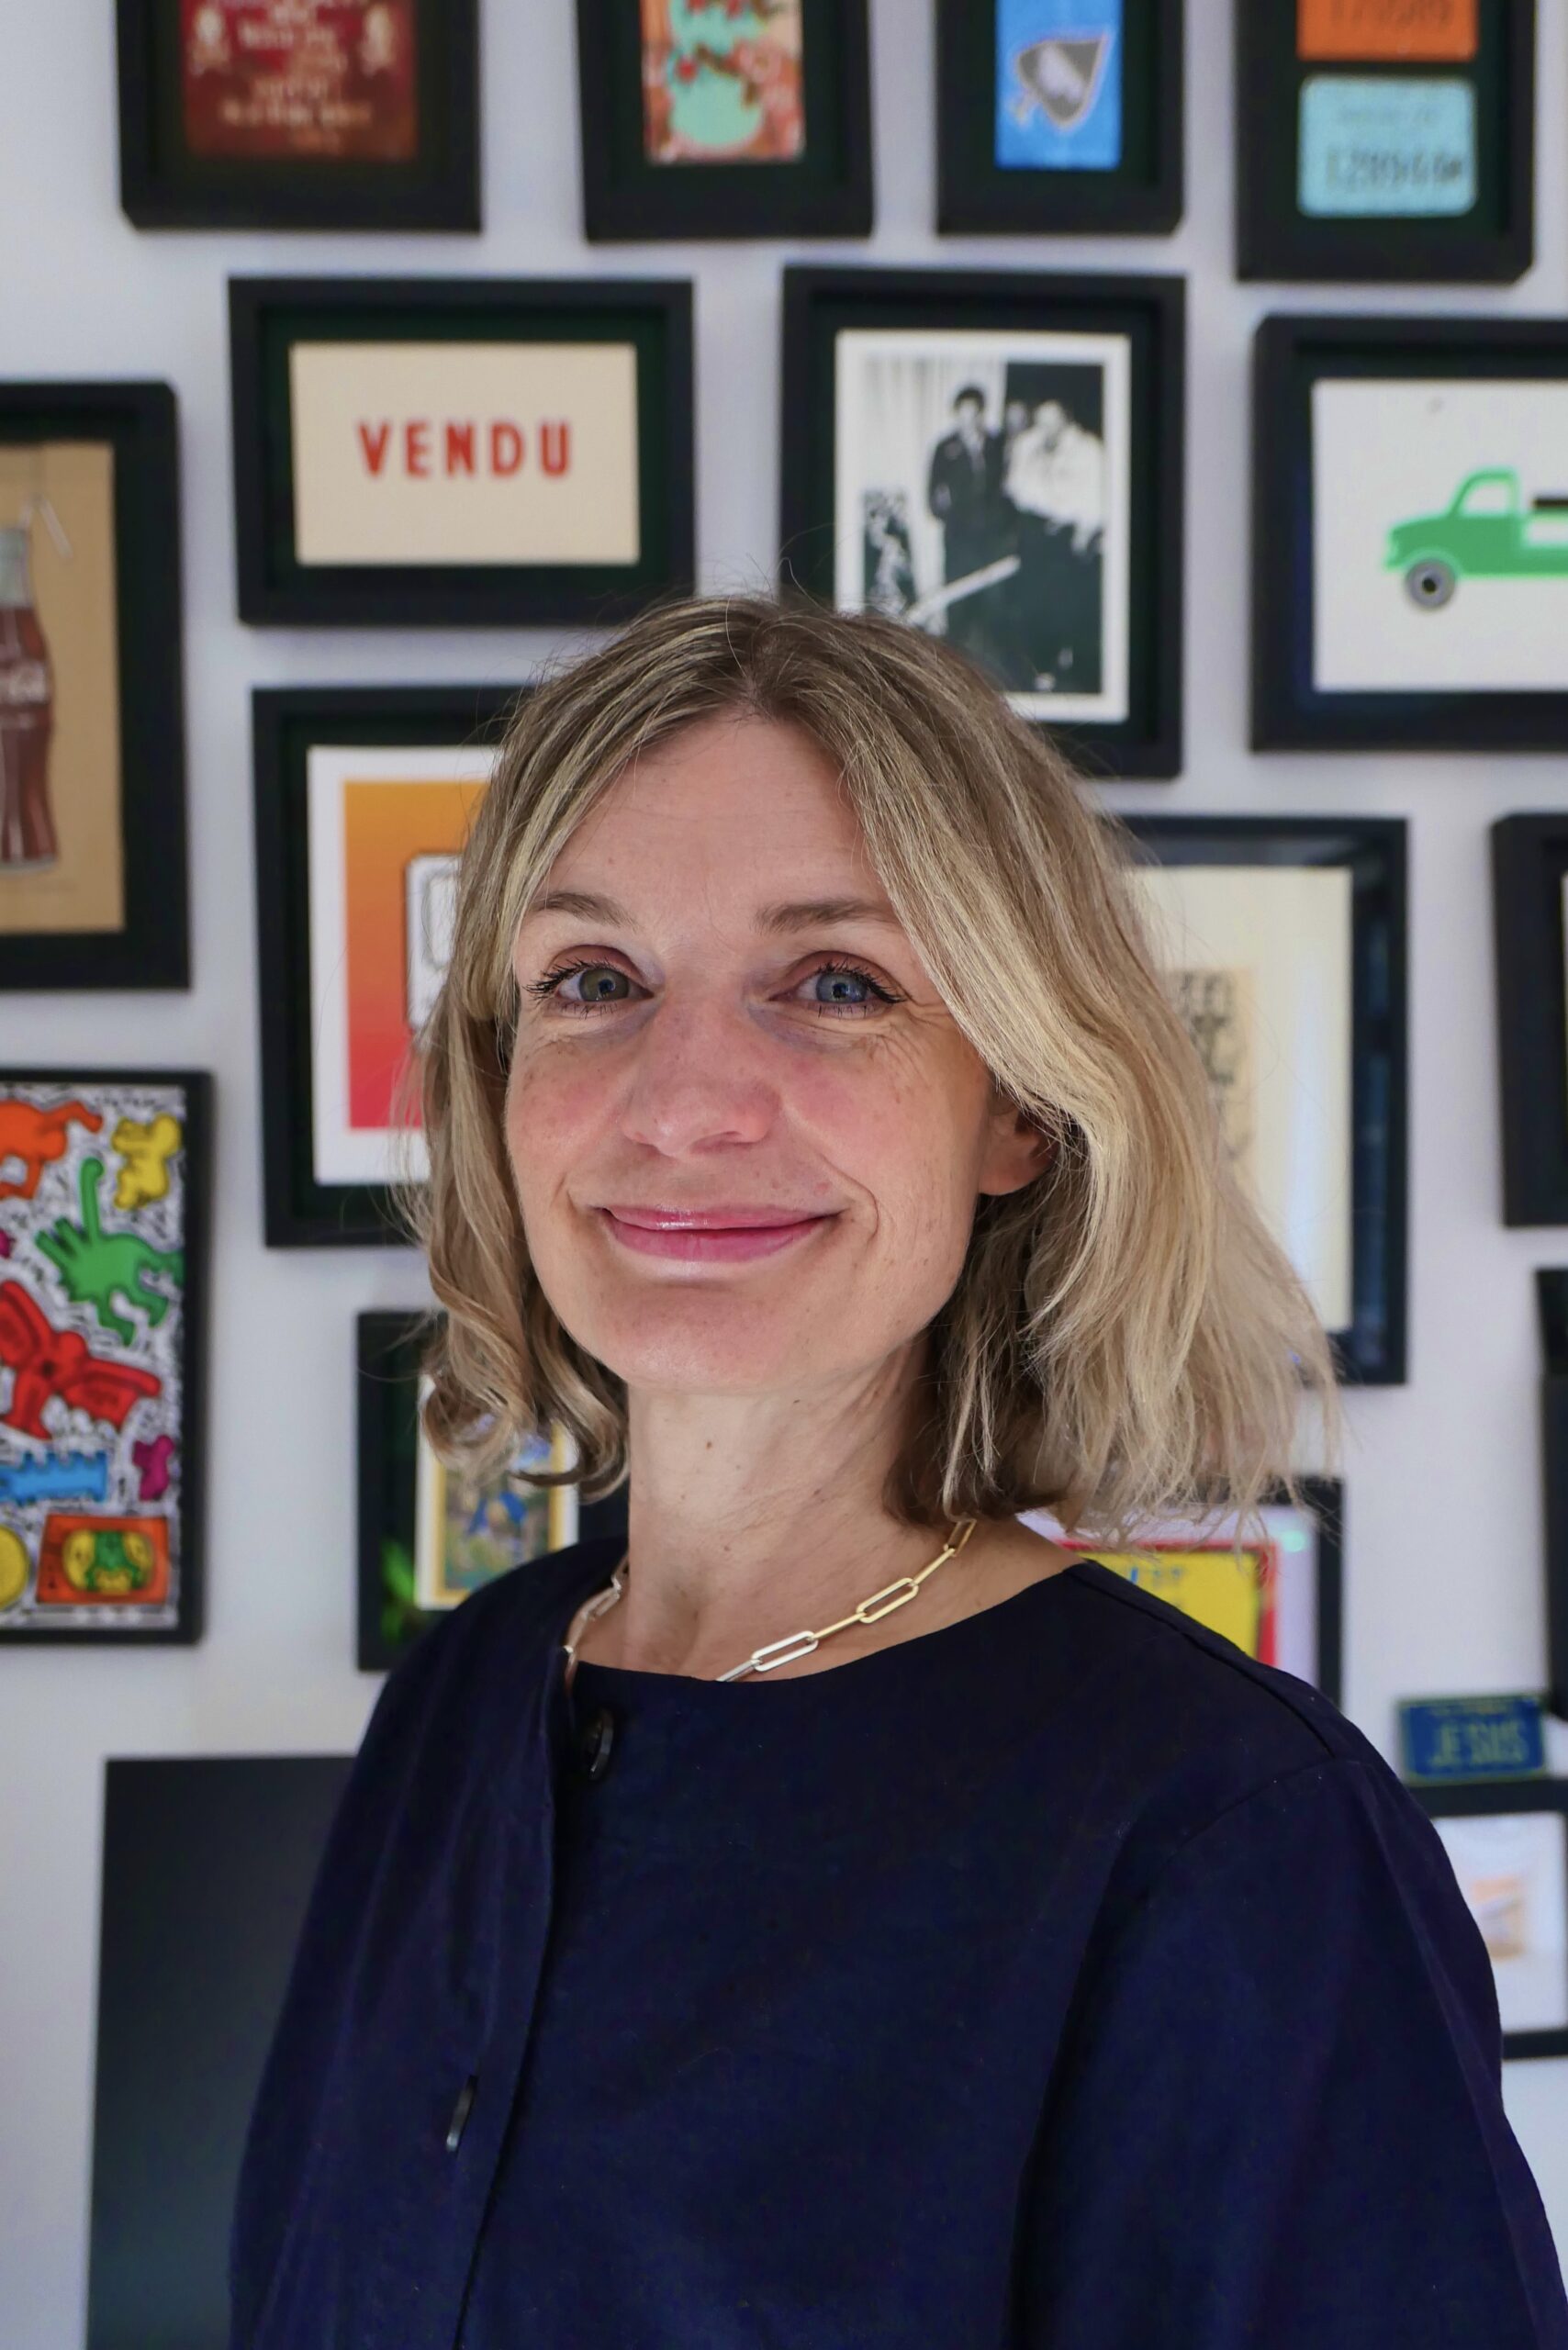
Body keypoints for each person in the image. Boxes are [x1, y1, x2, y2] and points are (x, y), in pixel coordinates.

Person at [227, 594, 1568, 2349]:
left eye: (836, 983)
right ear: (500, 1078)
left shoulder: (1232, 1839)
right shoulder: (468, 1690)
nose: (684, 1099)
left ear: (1015, 1100)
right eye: (591, 981)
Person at [1003, 394, 1105, 693]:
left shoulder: (1088, 451)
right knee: (1034, 601)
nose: (1046, 428)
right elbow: (1016, 488)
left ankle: (1065, 660)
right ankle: (1042, 665)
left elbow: (1094, 503)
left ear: (1067, 419)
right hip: (1034, 532)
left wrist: (1084, 536)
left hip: (1068, 535)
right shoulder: (1028, 445)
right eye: (1041, 422)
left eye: (1052, 422)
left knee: (1066, 603)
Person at [924, 383, 1013, 672]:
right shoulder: (944, 447)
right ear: (956, 415)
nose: (968, 420)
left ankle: (991, 672)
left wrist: (1001, 524)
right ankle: (954, 672)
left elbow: (1006, 488)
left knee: (993, 606)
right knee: (958, 609)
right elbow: (932, 496)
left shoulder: (997, 443)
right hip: (959, 540)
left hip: (992, 541)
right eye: (962, 414)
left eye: (973, 413)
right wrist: (949, 515)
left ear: (981, 414)